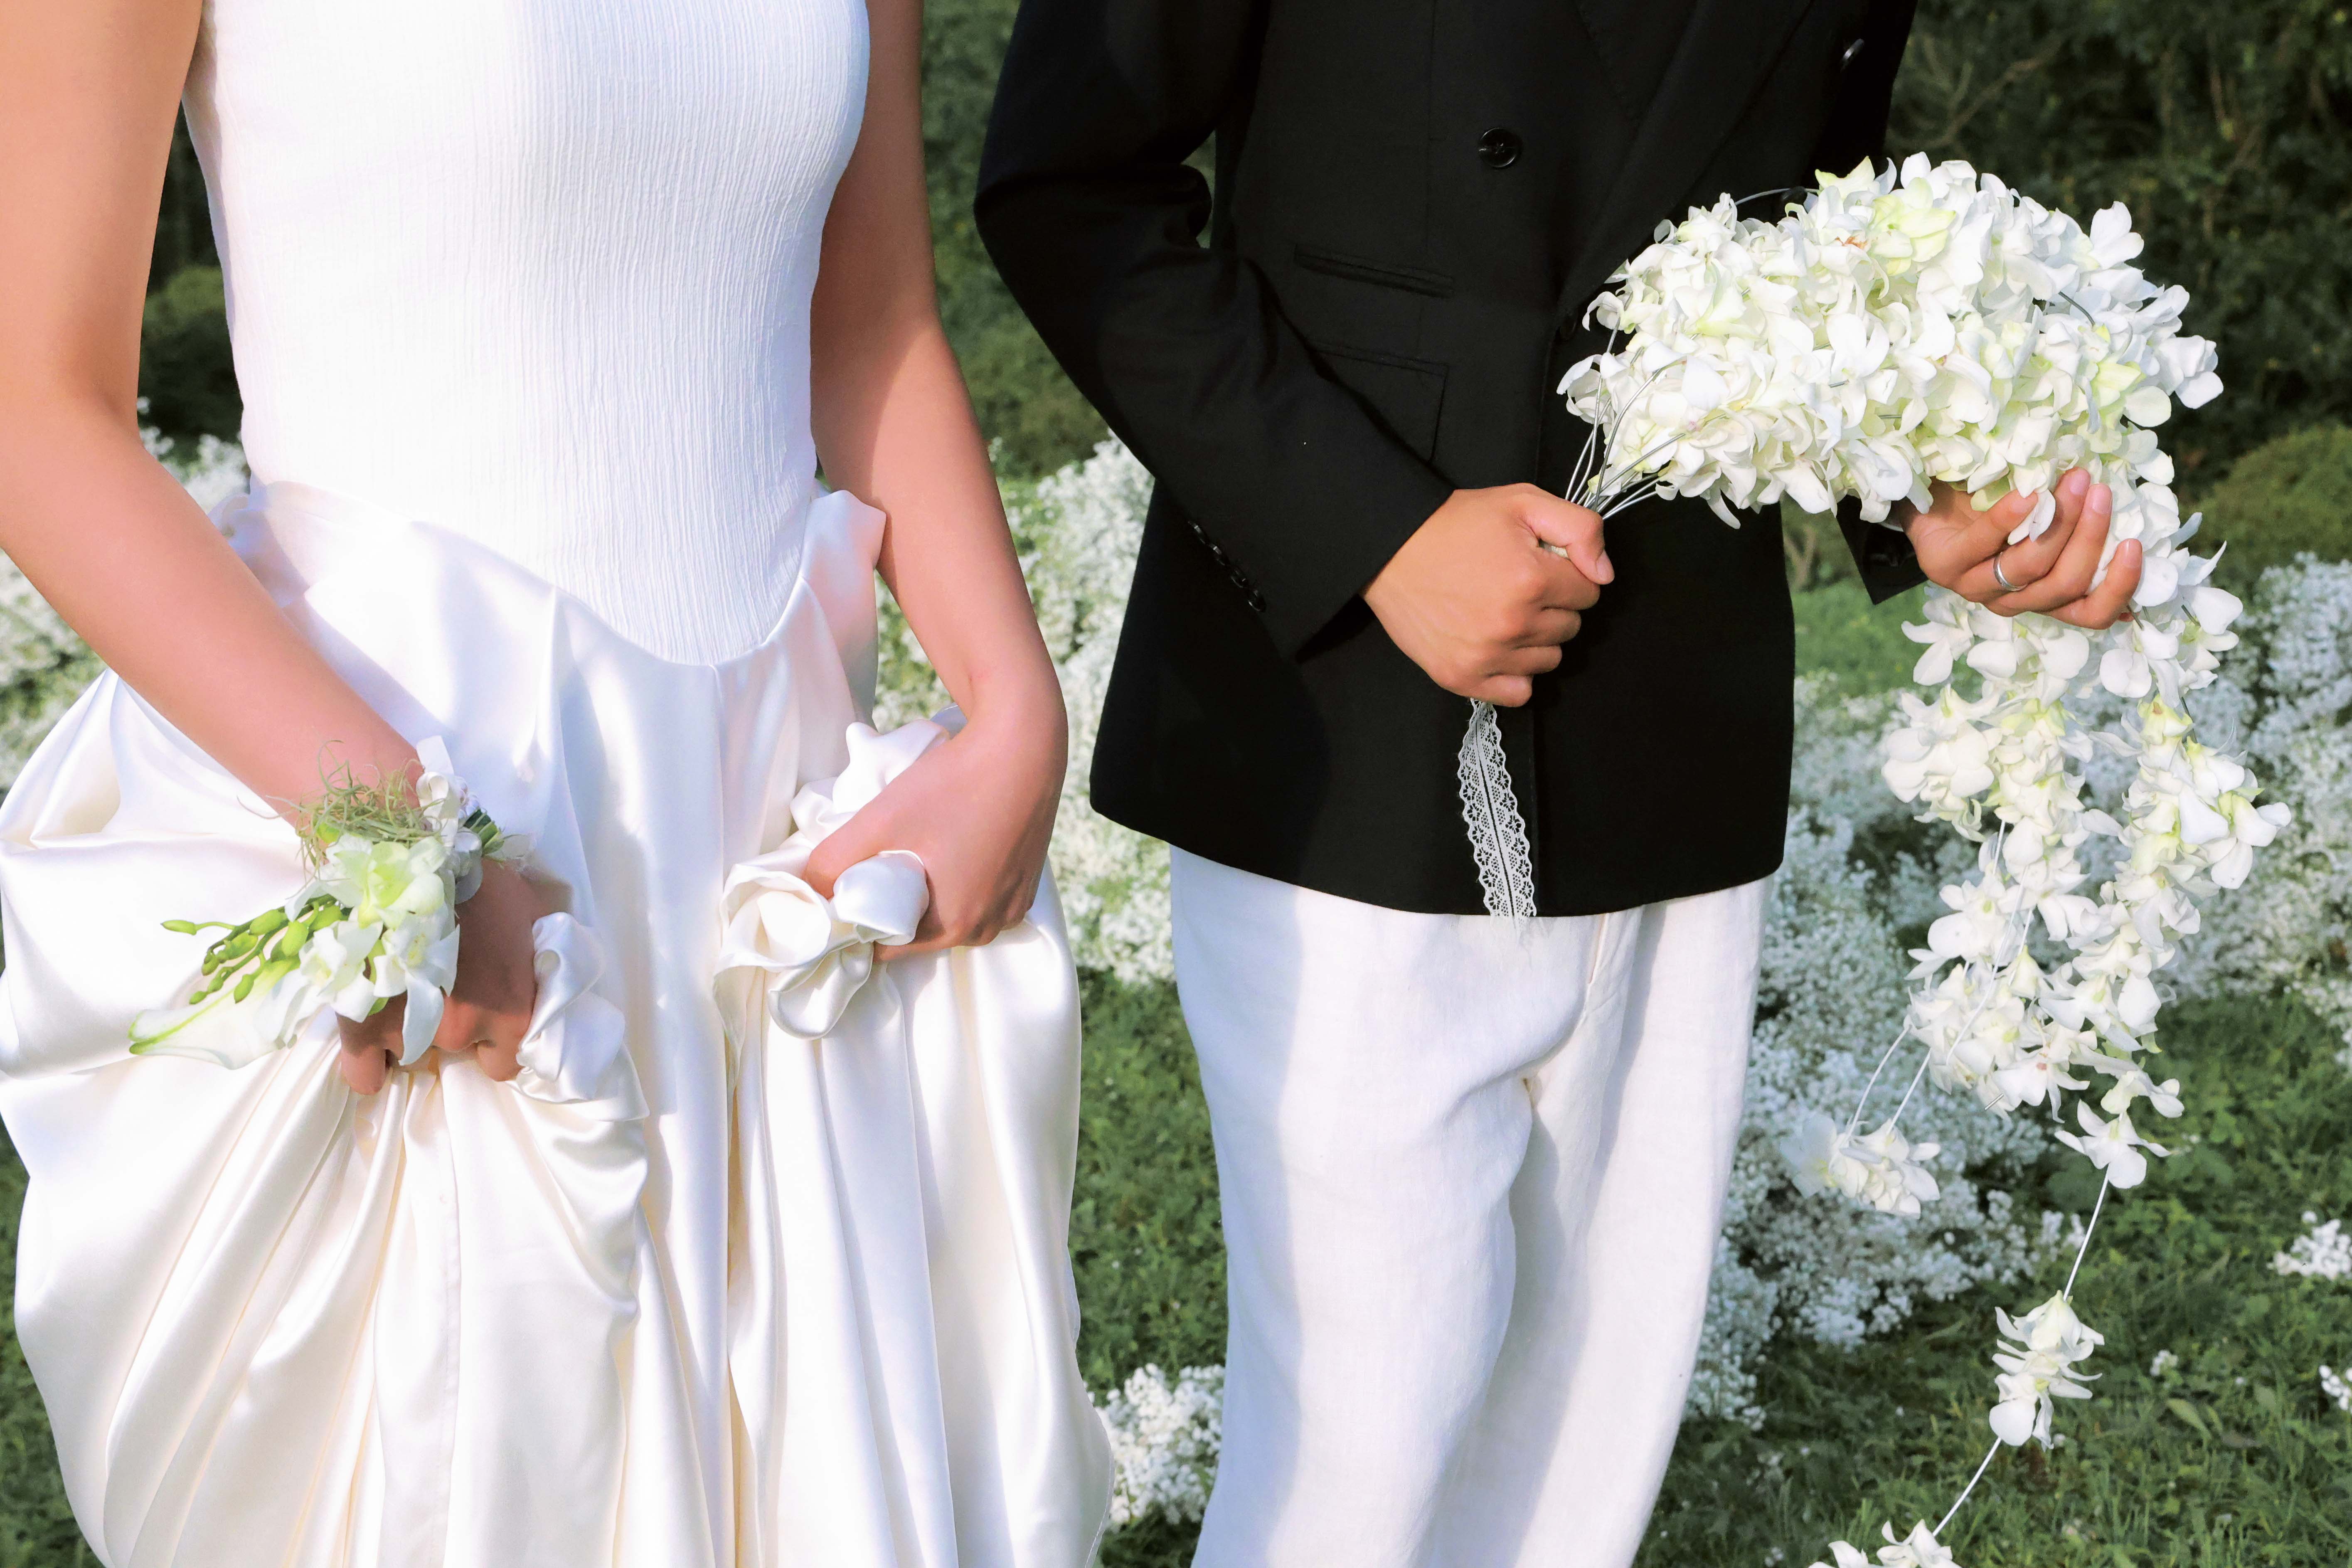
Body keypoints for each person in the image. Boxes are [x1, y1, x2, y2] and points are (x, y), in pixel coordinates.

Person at [976, 2, 2140, 1563]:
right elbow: (1068, 184)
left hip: (1676, 688)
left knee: (1588, 1434)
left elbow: (1808, 197)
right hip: (1345, 703)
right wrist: (1374, 531)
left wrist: (1915, 476)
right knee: (1355, 1452)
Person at [0, 0, 1111, 1562]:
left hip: (776, 849)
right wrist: (405, 842)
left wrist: (1015, 716)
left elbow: (868, 318)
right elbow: (32, 408)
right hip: (421, 821)